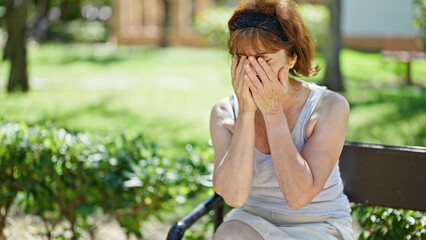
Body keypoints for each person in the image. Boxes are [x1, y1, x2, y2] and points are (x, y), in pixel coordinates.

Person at [209, 0, 354, 239]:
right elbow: (234, 197)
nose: (251, 72)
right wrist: (246, 113)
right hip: (252, 221)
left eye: (263, 60)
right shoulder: (225, 113)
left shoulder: (330, 107)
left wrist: (272, 112)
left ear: (291, 58)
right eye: (242, 59)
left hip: (319, 224)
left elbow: (298, 197)